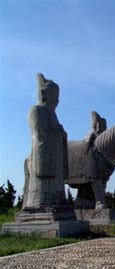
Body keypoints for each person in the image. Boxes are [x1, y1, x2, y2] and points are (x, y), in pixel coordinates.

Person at [23, 73, 68, 208]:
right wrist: (58, 133)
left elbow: (57, 133)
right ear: (43, 93)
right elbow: (40, 135)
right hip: (43, 158)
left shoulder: (53, 114)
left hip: (56, 161)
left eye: (58, 95)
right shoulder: (36, 110)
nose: (57, 99)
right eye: (54, 94)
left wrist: (62, 134)